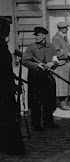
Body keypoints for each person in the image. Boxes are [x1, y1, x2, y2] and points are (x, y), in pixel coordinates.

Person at [22, 27, 59, 131]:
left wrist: (52, 63)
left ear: (44, 35)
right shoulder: (31, 47)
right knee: (36, 102)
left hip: (48, 77)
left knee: (49, 100)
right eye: (35, 35)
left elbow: (56, 60)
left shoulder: (51, 47)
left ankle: (48, 122)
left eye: (38, 35)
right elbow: (24, 60)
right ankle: (36, 124)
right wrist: (37, 65)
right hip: (35, 78)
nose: (36, 37)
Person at [0, 18, 25, 155]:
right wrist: (13, 85)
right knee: (8, 117)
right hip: (3, 90)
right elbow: (4, 71)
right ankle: (10, 147)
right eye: (6, 30)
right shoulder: (2, 47)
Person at [52, 22, 70, 110]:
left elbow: (67, 49)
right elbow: (56, 52)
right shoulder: (56, 38)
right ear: (61, 29)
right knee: (63, 85)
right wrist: (67, 54)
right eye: (66, 28)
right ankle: (63, 104)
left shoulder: (64, 37)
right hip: (62, 65)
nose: (67, 29)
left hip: (69, 63)